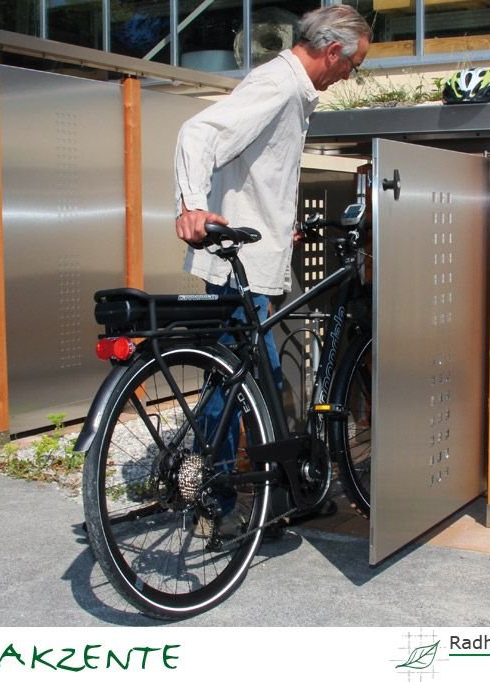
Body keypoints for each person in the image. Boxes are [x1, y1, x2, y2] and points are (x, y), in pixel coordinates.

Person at [173, 5, 372, 531]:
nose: (350, 75)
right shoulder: (278, 86)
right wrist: (192, 204)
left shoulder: (292, 91)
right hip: (237, 267)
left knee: (240, 382)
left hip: (253, 253)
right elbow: (199, 133)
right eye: (353, 65)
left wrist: (284, 228)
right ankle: (215, 503)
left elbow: (257, 171)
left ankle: (255, 491)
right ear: (333, 52)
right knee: (243, 383)